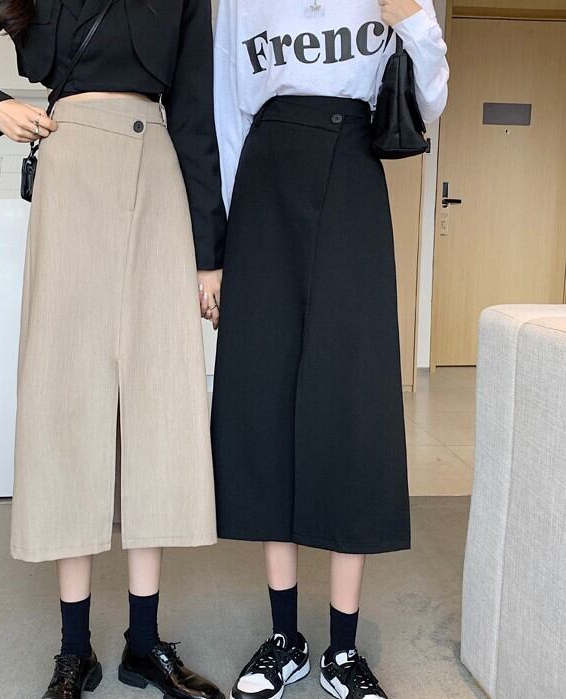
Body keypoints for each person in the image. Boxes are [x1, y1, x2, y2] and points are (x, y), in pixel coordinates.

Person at [0, 1, 226, 698]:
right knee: (65, 399)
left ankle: (144, 644)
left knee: (159, 397)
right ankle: (74, 650)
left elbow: (195, 112)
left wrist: (209, 253)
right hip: (70, 172)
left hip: (158, 173)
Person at [210, 0, 449, 697]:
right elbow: (227, 113)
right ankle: (284, 637)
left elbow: (427, 102)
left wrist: (414, 20)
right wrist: (220, 247)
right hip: (263, 181)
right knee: (264, 399)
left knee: (353, 399)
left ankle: (343, 648)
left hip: (352, 174)